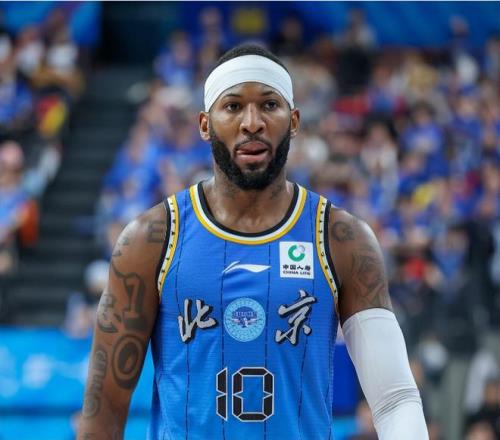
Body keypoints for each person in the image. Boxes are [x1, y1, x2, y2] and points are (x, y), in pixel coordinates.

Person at [77, 44, 428, 439]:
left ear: (294, 121)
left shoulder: (342, 239)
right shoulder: (151, 239)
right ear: (205, 124)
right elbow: (103, 409)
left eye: (269, 105)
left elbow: (395, 399)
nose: (252, 122)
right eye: (232, 106)